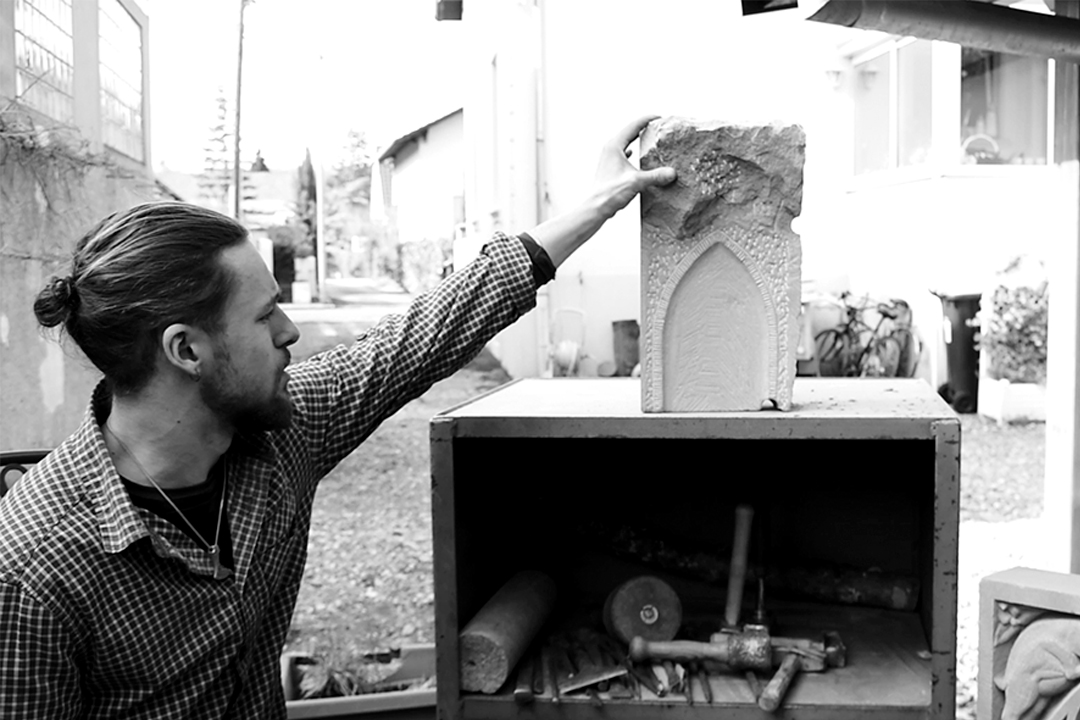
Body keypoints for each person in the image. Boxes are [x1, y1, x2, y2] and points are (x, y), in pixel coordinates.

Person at [0, 116, 675, 718]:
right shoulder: (33, 570)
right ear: (187, 351)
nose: (290, 332)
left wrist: (597, 204)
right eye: (265, 316)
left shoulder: (280, 436)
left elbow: (419, 338)